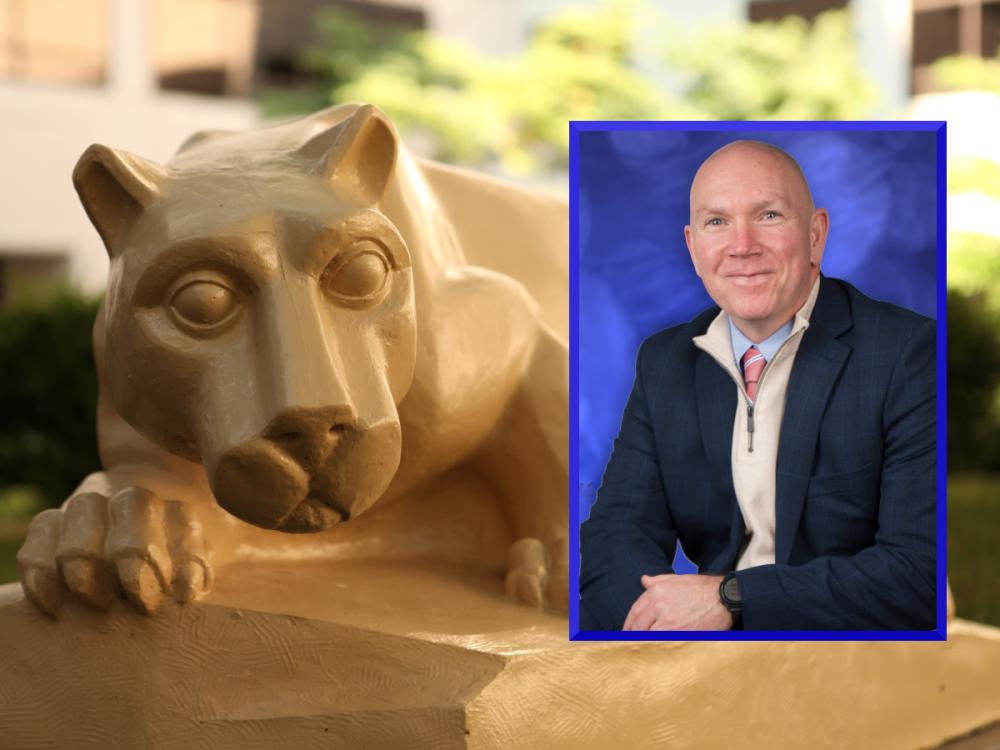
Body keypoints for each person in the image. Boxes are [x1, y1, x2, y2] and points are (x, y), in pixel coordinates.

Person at [579, 140, 936, 631]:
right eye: (716, 222)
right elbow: (616, 536)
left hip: (842, 657)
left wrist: (732, 600)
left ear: (816, 234)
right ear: (692, 245)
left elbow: (917, 575)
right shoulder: (665, 362)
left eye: (768, 215)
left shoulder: (906, 353)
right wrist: (655, 631)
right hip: (707, 659)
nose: (741, 245)